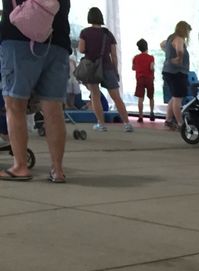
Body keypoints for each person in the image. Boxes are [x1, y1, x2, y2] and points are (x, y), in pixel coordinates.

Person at [0, 0, 71, 182]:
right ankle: (57, 170)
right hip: (58, 40)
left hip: (18, 38)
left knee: (15, 105)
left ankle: (20, 166)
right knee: (54, 108)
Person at [77, 7, 132, 132]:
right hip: (107, 67)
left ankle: (101, 124)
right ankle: (127, 124)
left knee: (95, 96)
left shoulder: (85, 32)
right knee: (116, 97)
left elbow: (81, 49)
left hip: (92, 68)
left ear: (89, 18)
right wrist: (115, 70)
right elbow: (114, 55)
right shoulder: (107, 33)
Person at [161, 21, 191, 131]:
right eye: (188, 31)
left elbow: (162, 44)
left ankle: (168, 121)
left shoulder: (170, 38)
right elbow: (180, 50)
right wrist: (178, 59)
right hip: (177, 73)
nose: (188, 34)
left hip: (168, 71)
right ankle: (181, 124)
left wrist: (169, 56)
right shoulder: (179, 39)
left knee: (174, 97)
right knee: (178, 99)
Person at [132, 39, 155, 122]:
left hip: (140, 79)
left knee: (140, 98)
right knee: (151, 97)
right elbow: (151, 68)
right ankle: (151, 113)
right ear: (147, 47)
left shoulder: (136, 57)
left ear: (139, 48)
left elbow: (133, 68)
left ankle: (141, 116)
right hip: (149, 79)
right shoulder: (151, 57)